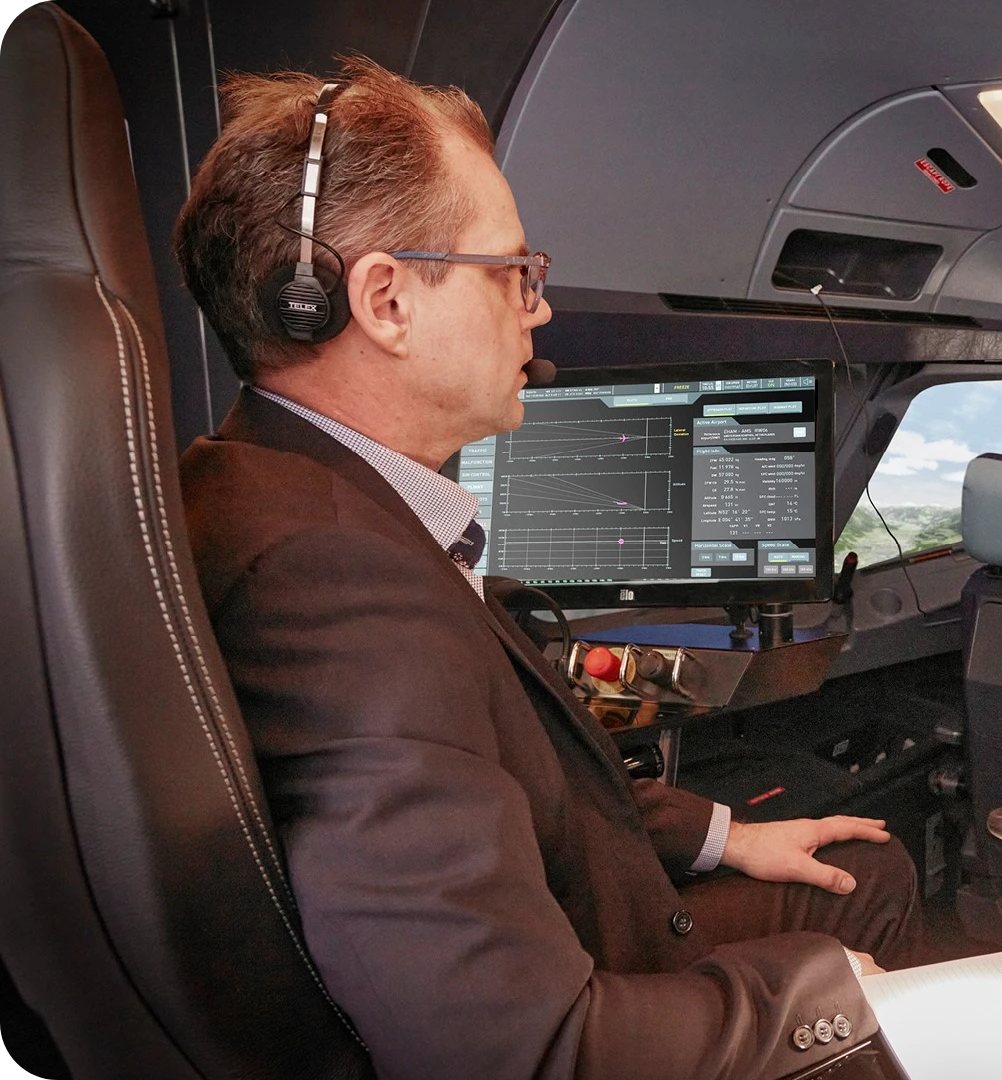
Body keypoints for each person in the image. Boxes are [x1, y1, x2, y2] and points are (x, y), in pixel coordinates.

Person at [172, 59, 919, 1080]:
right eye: (511, 272)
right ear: (385, 301)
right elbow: (523, 1051)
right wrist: (843, 1002)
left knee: (859, 865)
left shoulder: (265, 487)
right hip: (591, 975)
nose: (541, 310)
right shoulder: (338, 585)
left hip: (573, 901)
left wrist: (722, 838)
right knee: (861, 929)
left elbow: (496, 774)